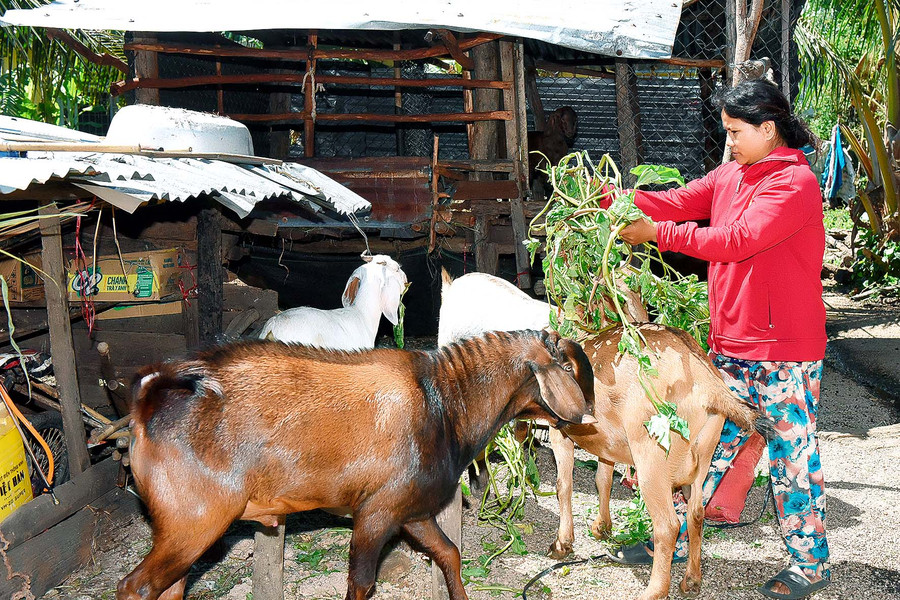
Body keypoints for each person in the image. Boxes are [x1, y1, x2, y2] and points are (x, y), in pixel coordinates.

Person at [610, 78, 831, 599]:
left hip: (784, 353)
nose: (727, 142)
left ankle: (809, 566)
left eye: (735, 132)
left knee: (791, 456)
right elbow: (682, 200)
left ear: (768, 129)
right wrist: (618, 201)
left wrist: (657, 235)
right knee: (702, 444)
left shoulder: (794, 184)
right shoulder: (734, 172)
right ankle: (674, 535)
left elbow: (736, 241)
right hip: (732, 345)